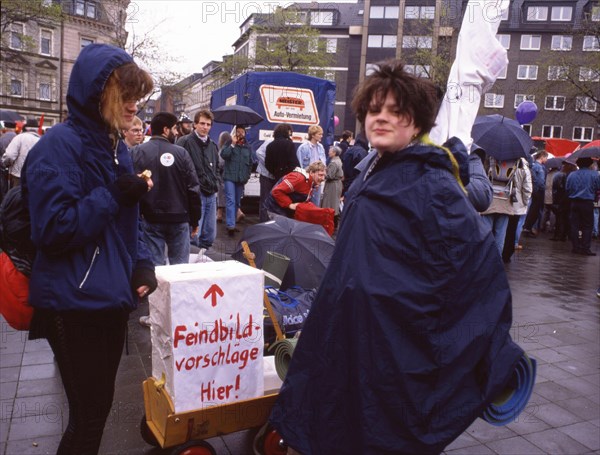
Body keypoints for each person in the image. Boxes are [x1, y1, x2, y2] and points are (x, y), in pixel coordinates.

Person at [269, 60, 523, 455]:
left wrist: (402, 306)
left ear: (416, 121)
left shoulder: (433, 182)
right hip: (348, 331)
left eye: (396, 111)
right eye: (374, 110)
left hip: (390, 345)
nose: (381, 118)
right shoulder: (377, 170)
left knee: (376, 433)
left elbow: (475, 269)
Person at [21, 43, 156, 455]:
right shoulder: (59, 146)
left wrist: (141, 264)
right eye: (127, 96)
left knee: (97, 411)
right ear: (99, 94)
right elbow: (53, 228)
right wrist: (116, 193)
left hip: (108, 297)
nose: (135, 106)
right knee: (89, 416)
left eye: (139, 97)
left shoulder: (117, 148)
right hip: (73, 301)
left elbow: (124, 223)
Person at [132, 112, 201, 265]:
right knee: (180, 270)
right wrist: (195, 219)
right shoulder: (182, 153)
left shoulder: (137, 152)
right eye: (174, 129)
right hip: (179, 218)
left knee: (155, 269)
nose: (176, 132)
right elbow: (193, 188)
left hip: (149, 217)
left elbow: (129, 185)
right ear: (165, 130)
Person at [177, 110, 220, 250]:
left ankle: (204, 261)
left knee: (209, 235)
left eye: (208, 124)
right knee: (194, 236)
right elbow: (177, 168)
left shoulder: (213, 145)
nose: (205, 127)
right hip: (195, 195)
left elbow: (217, 168)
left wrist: (216, 183)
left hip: (211, 194)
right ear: (195, 124)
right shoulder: (184, 142)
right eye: (202, 123)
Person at [220, 125, 253, 236]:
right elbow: (224, 155)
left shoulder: (247, 147)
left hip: (241, 179)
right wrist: (233, 144)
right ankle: (231, 226)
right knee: (230, 200)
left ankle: (232, 222)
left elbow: (250, 163)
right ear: (234, 133)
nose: (240, 134)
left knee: (237, 202)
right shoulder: (229, 144)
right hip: (229, 177)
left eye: (242, 132)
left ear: (245, 133)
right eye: (238, 132)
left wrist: (247, 176)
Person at [566, 157, 600, 255]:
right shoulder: (594, 174)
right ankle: (585, 248)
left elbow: (567, 188)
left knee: (574, 225)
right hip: (587, 202)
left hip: (574, 202)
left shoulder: (572, 175)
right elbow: (598, 187)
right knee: (587, 225)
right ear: (589, 164)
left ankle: (575, 247)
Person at [501, 157, 533, 263]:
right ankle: (507, 253)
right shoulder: (524, 168)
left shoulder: (502, 163)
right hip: (517, 204)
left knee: (500, 228)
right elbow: (527, 188)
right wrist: (525, 202)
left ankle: (498, 251)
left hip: (502, 200)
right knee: (512, 229)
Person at [2, 120, 40, 188]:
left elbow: (9, 155)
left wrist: (6, 164)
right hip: (35, 177)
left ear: (25, 128)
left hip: (18, 176)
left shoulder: (19, 137)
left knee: (16, 196)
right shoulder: (41, 140)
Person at [522, 150, 548, 237]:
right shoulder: (538, 167)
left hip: (535, 190)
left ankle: (528, 228)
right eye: (546, 158)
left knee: (534, 210)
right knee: (534, 211)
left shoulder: (535, 166)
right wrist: (543, 188)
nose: (546, 160)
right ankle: (528, 228)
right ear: (542, 157)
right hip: (538, 191)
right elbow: (540, 180)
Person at [550, 161, 577, 241]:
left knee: (561, 218)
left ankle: (559, 235)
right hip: (569, 199)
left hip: (563, 199)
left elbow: (562, 187)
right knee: (566, 218)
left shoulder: (565, 175)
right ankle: (564, 235)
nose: (563, 166)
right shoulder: (571, 174)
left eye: (565, 165)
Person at [321, 145, 343, 220]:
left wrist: (322, 173)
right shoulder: (338, 160)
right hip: (337, 184)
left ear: (334, 153)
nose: (328, 152)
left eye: (330, 151)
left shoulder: (333, 163)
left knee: (329, 203)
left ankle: (330, 220)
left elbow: (329, 176)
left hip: (332, 185)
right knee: (335, 202)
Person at [216, 131, 231, 223]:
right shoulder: (233, 148)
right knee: (231, 197)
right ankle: (238, 212)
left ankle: (219, 214)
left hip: (223, 176)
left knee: (221, 194)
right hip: (232, 176)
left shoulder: (223, 150)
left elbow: (220, 164)